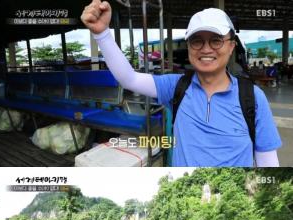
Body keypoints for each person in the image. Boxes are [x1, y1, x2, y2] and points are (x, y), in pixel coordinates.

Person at [81, 1, 282, 167]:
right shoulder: (175, 86)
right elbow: (129, 79)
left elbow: (268, 163)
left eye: (216, 40)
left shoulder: (252, 98)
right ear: (188, 48)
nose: (206, 49)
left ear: (231, 46)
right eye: (197, 41)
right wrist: (102, 34)